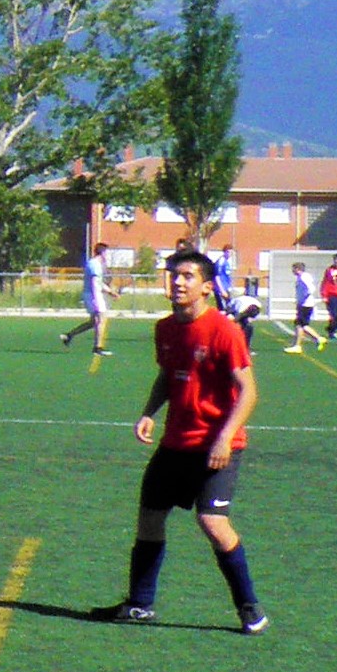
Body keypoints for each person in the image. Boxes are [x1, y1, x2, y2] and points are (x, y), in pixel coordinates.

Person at [105, 246, 266, 633]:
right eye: (173, 274)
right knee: (149, 519)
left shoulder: (224, 331)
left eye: (187, 276)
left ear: (207, 287)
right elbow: (168, 374)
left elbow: (248, 392)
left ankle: (250, 609)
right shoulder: (164, 328)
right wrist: (149, 412)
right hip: (175, 444)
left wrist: (224, 439)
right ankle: (140, 604)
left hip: (216, 447)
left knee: (212, 522)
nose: (177, 282)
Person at [64, 242, 113, 356]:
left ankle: (69, 335)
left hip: (92, 295)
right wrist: (98, 300)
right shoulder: (94, 264)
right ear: (102, 252)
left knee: (93, 322)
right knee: (101, 319)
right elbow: (96, 284)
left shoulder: (96, 264)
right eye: (107, 253)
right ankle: (98, 348)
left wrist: (110, 292)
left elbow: (99, 282)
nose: (107, 255)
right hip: (93, 295)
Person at [286, 255, 326, 352]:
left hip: (305, 304)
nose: (292, 271)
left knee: (300, 325)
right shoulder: (302, 277)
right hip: (303, 304)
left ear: (297, 269)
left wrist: (304, 298)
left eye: (293, 269)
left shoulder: (304, 277)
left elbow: (311, 288)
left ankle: (299, 345)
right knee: (301, 325)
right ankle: (316, 339)